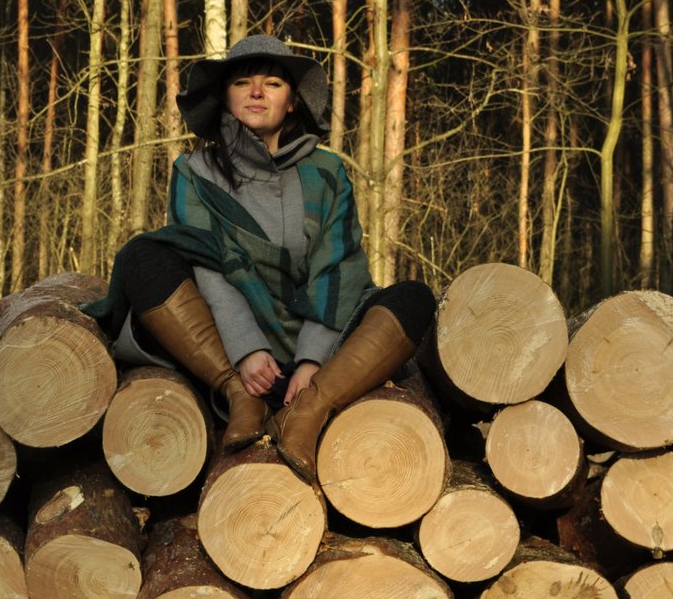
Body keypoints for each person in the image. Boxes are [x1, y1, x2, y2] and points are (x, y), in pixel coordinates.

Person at [83, 34, 435, 483]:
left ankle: (307, 412)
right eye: (242, 82)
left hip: (323, 346)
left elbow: (338, 269)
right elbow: (208, 265)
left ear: (292, 102)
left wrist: (311, 364)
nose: (255, 92)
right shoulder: (194, 172)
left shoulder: (327, 172)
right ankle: (240, 397)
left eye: (272, 83)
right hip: (226, 344)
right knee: (143, 255)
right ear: (225, 97)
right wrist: (246, 352)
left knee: (413, 297)